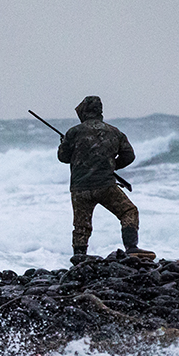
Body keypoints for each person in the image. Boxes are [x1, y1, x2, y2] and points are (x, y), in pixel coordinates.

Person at [57, 96, 147, 262]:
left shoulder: (73, 132)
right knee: (128, 211)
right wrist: (111, 167)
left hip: (80, 188)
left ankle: (79, 257)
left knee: (81, 225)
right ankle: (132, 248)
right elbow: (129, 155)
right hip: (106, 186)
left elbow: (63, 157)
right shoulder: (115, 132)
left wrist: (64, 144)